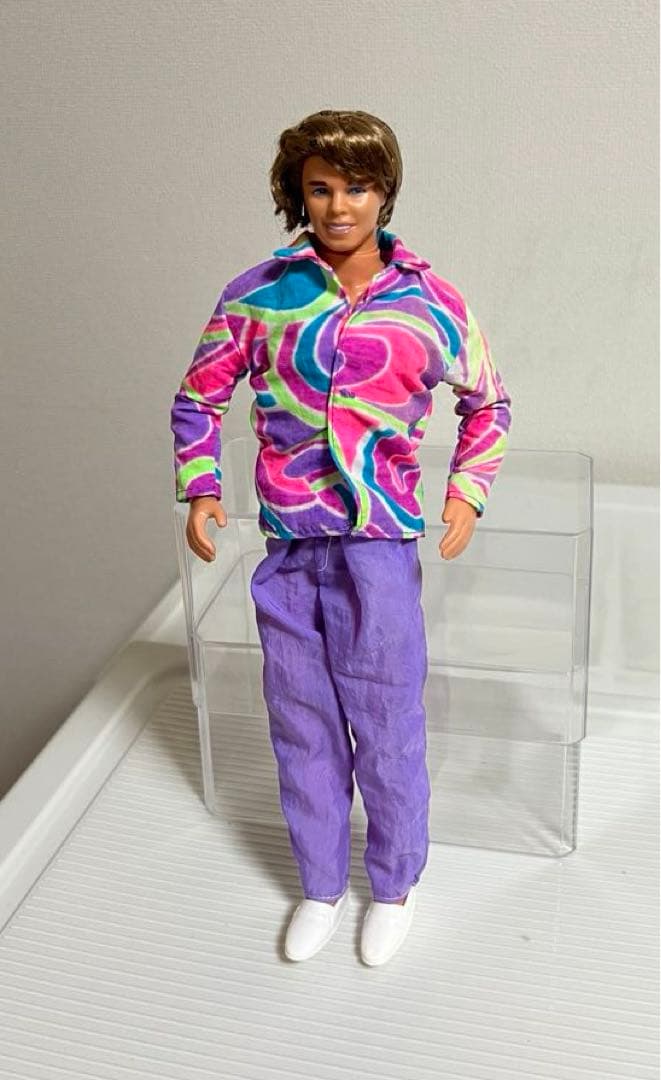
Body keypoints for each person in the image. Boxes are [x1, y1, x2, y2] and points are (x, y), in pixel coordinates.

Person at [170, 109, 513, 965]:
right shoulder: (258, 293)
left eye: (356, 187)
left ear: (384, 192)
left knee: (387, 719)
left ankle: (393, 884)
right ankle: (320, 882)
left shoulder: (429, 302)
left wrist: (466, 495)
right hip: (289, 545)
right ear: (297, 194)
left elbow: (488, 402)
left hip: (378, 547)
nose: (338, 206)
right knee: (301, 721)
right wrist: (200, 488)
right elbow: (199, 396)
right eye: (319, 188)